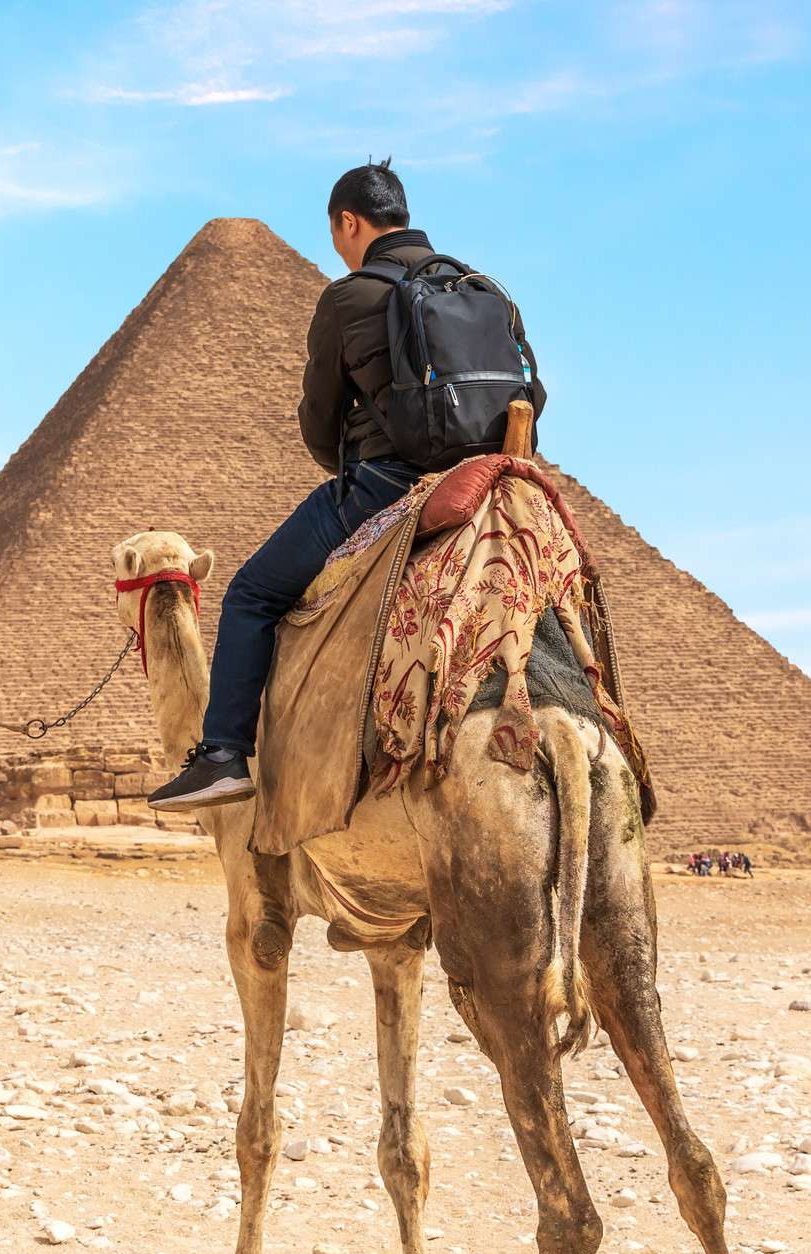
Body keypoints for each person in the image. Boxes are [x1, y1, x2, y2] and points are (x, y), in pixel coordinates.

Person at [149, 160, 534, 811]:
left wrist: (350, 467)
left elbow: (320, 420)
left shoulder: (350, 298)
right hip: (500, 483)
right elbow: (530, 392)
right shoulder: (486, 293)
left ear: (349, 223)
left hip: (389, 486)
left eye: (335, 234)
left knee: (251, 594)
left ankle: (222, 756)